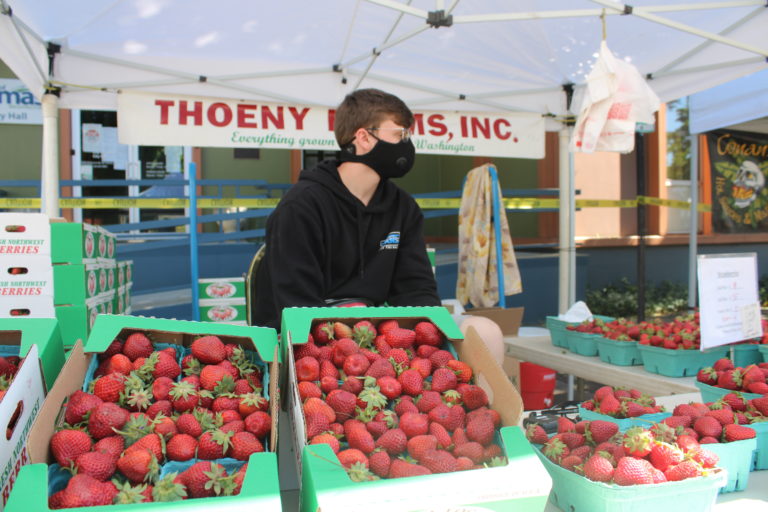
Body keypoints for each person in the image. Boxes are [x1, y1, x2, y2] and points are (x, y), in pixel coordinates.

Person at [251, 88, 441, 329]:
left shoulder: (403, 208)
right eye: (400, 134)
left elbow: (417, 291)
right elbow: (296, 305)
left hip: (367, 340)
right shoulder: (301, 207)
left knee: (484, 331)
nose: (407, 144)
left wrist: (428, 334)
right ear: (363, 138)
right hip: (303, 344)